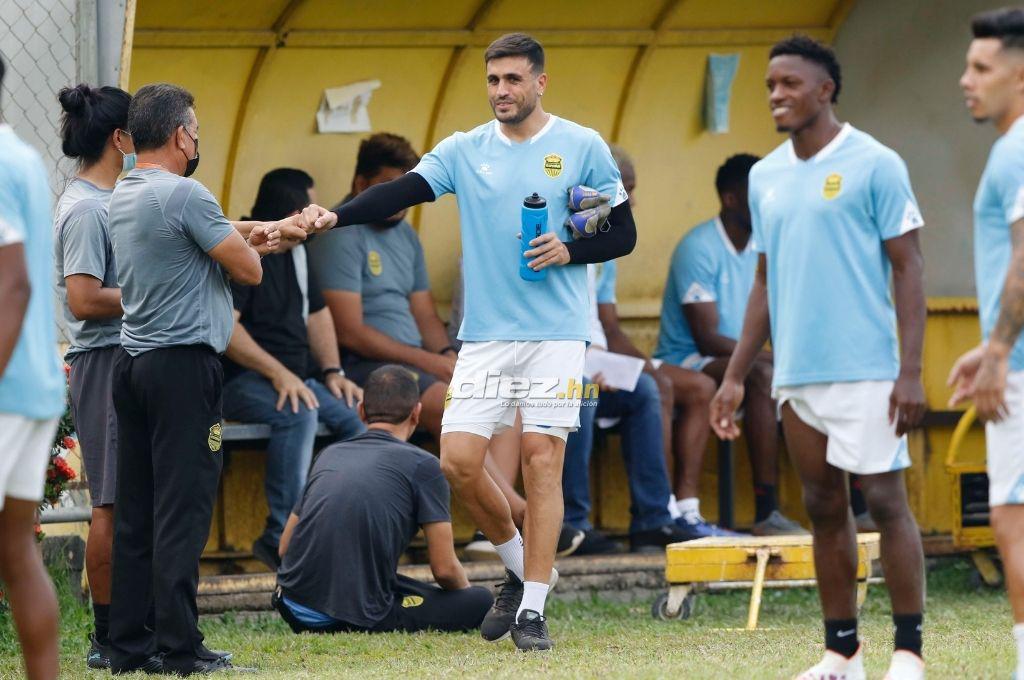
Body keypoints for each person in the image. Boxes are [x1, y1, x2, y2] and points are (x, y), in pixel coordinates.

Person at [310, 32, 637, 651]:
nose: (501, 92)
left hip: (556, 335)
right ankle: (519, 570)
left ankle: (533, 609)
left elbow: (619, 234)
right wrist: (336, 214)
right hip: (484, 337)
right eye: (493, 80)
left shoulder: (578, 146)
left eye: (513, 80)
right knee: (457, 463)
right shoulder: (466, 150)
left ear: (540, 82)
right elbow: (402, 190)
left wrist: (570, 247)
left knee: (544, 461)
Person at [710, 36, 927, 680]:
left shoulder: (876, 163)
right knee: (824, 507)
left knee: (885, 503)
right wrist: (733, 376)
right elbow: (764, 283)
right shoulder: (766, 176)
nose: (776, 95)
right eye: (770, 85)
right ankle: (842, 652)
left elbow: (909, 268)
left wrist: (910, 371)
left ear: (825, 90)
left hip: (867, 370)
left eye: (789, 84)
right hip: (796, 375)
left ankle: (909, 652)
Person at [106, 82, 333, 675]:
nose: (198, 140)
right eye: (197, 131)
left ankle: (129, 644)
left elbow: (221, 233)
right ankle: (181, 647)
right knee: (182, 511)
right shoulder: (186, 194)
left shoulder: (126, 191)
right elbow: (250, 267)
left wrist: (258, 229)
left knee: (137, 511)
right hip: (184, 369)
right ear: (182, 135)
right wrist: (271, 237)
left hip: (133, 366)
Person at [273, 365, 494, 633]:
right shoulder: (424, 466)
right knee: (481, 600)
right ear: (417, 413)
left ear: (361, 411)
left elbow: (285, 547)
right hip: (350, 614)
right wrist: (464, 599)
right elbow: (445, 569)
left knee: (395, 585)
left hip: (291, 602)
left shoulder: (330, 454)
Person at [654, 153, 806, 537]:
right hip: (688, 359)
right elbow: (707, 337)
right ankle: (766, 508)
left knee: (794, 373)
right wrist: (769, 356)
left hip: (737, 359)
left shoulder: (764, 245)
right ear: (731, 199)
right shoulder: (699, 246)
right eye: (758, 194)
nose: (767, 202)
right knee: (761, 373)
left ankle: (841, 506)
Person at [223, 167, 365, 571]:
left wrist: (334, 370)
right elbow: (226, 329)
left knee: (359, 420)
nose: (312, 218)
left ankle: (335, 525)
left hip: (296, 378)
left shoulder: (299, 254)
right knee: (299, 414)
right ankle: (279, 536)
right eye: (305, 208)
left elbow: (318, 315)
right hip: (241, 381)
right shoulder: (244, 249)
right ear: (285, 212)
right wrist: (277, 373)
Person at [949, 9, 1024, 679]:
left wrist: (1000, 351)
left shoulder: (1019, 147)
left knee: (1013, 516)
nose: (966, 80)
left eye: (981, 69)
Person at [53, 82, 134, 671]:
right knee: (107, 503)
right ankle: (107, 635)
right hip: (101, 362)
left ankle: (135, 622)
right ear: (119, 137)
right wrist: (157, 294)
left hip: (126, 357)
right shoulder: (85, 208)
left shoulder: (118, 195)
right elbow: (83, 300)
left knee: (129, 499)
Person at [310, 133, 453, 439]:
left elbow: (425, 314)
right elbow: (350, 333)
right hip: (365, 365)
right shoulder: (340, 234)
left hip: (415, 361)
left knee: (497, 402)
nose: (399, 202)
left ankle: (500, 489)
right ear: (361, 184)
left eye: (404, 190)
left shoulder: (406, 235)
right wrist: (432, 362)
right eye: (389, 187)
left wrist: (448, 355)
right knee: (454, 407)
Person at [0, 53, 66, 680]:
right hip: (36, 385)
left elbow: (12, 285)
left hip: (4, 387)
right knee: (16, 550)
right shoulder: (20, 155)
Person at [561, 258, 687, 554]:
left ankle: (652, 520)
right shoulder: (546, 241)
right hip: (546, 370)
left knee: (644, 390)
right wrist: (585, 367)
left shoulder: (597, 249)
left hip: (586, 365)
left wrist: (600, 361)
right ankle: (572, 523)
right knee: (584, 392)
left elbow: (593, 324)